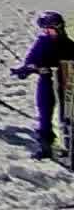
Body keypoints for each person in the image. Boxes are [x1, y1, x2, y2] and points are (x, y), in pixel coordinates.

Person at [12, 12, 74, 159]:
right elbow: (31, 60)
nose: (47, 33)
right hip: (47, 83)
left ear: (59, 28)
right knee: (45, 114)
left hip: (67, 86)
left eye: (50, 30)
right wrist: (27, 69)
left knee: (68, 115)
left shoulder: (69, 45)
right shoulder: (42, 42)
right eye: (45, 30)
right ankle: (45, 147)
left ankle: (69, 145)